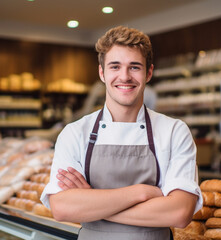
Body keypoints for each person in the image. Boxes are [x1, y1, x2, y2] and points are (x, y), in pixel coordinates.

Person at [40, 26, 202, 240]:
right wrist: (140, 193)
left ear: (149, 72)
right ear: (102, 73)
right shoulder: (75, 133)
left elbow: (179, 213)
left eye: (134, 67)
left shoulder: (174, 131)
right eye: (115, 66)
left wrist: (91, 203)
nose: (124, 76)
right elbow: (61, 208)